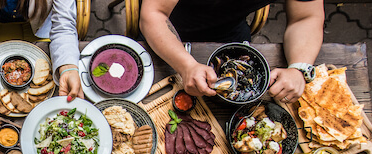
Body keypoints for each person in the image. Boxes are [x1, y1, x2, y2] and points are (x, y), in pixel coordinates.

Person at [139, 0, 324, 104]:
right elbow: (154, 15)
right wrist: (186, 66)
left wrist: (299, 68)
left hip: (230, 31)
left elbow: (306, 17)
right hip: (167, 30)